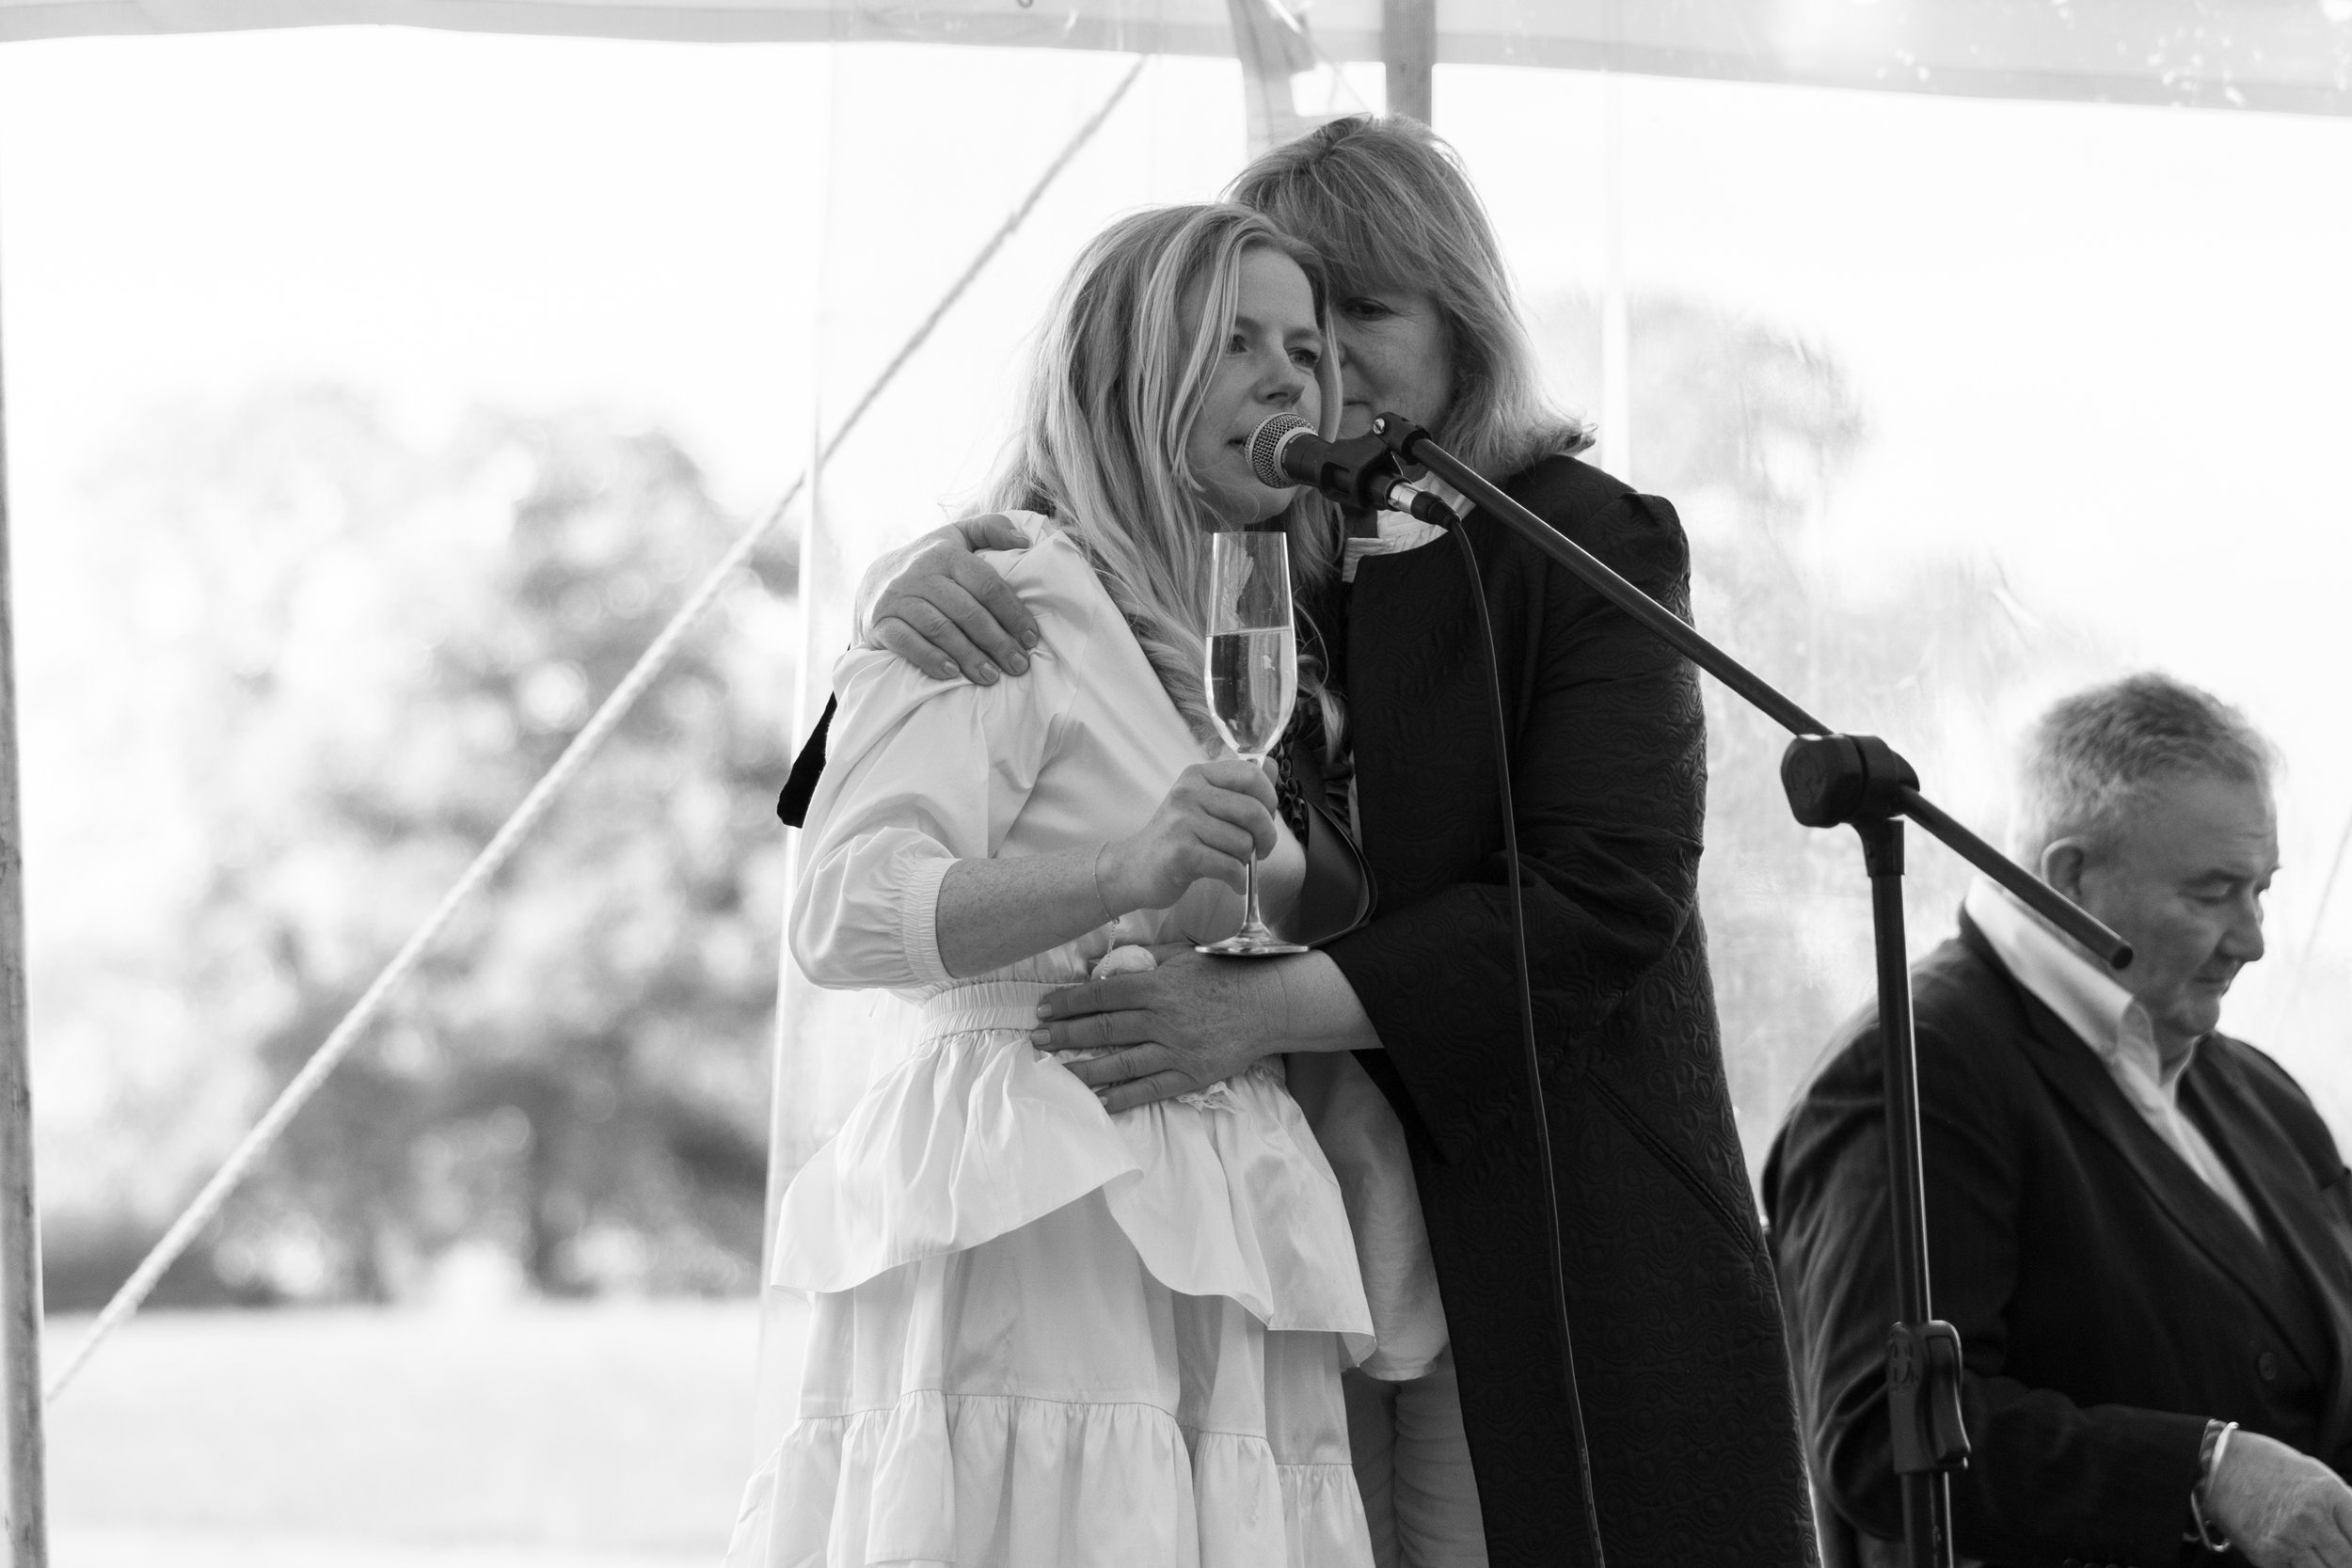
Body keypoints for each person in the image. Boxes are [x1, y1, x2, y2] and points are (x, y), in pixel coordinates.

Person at [841, 116, 1816, 1568]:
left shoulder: (1574, 537)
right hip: (1275, 1237)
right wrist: (902, 580)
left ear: (1464, 326)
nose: (1320, 370)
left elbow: (1600, 896)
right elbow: (988, 680)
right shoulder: (1221, 547)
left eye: (1363, 315)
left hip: (1553, 1218)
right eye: (1278, 335)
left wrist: (1252, 1012)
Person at [731, 203, 1383, 1568]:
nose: (1289, 380)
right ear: (1129, 378)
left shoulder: (1251, 639)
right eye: (1235, 343)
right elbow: (842, 907)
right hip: (1048, 1222)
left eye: (1307, 349)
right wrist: (1121, 872)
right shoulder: (1007, 593)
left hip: (1215, 1231)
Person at [1766, 673, 2352, 1568]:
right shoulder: (1915, 1069)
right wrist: (2207, 1468)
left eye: (2263, 890)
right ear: (2070, 875)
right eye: (2212, 893)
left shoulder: (2252, 1085)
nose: (2255, 938)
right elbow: (1876, 1438)